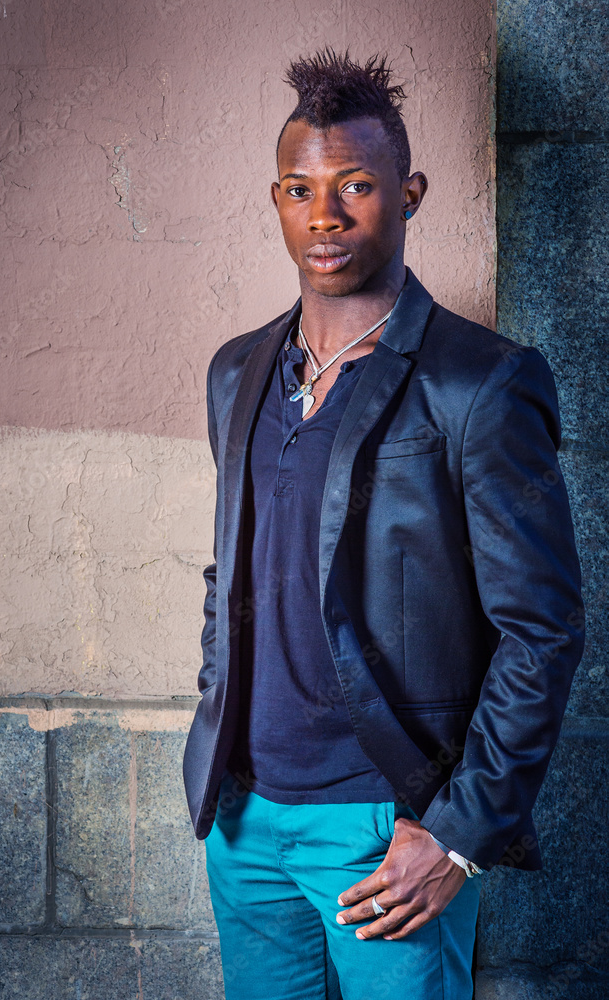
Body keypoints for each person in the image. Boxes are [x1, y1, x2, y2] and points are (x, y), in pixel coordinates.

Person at [181, 47, 585, 999]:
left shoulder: (480, 381)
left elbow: (544, 627)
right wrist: (213, 737)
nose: (324, 215)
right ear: (276, 199)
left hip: (386, 830)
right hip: (244, 825)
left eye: (355, 185)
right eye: (299, 188)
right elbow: (230, 574)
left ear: (409, 194)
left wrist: (456, 832)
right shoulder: (237, 372)